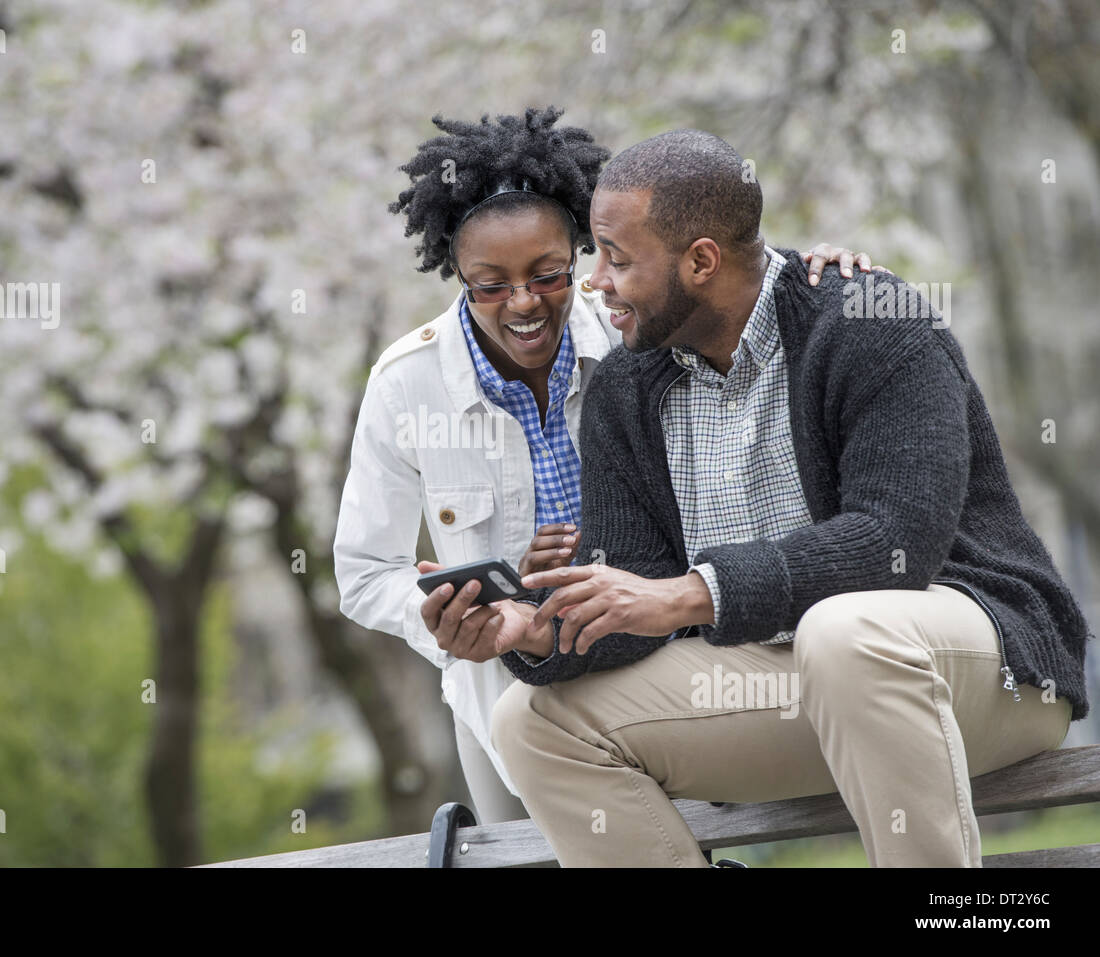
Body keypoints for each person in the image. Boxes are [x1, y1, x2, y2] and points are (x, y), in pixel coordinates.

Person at [490, 129, 1091, 865]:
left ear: (701, 261)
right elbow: (632, 609)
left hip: (982, 673)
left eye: (618, 258)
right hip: (788, 691)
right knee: (531, 720)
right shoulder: (625, 390)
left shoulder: (873, 321)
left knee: (844, 633)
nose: (597, 282)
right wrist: (536, 632)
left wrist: (692, 593)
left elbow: (893, 543)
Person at [334, 108, 879, 825]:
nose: (524, 302)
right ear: (458, 275)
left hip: (661, 656)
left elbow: (725, 281)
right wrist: (453, 616)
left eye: (549, 274)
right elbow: (366, 572)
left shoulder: (637, 327)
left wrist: (815, 278)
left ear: (581, 253)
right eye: (490, 284)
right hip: (502, 681)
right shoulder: (406, 383)